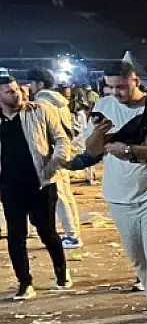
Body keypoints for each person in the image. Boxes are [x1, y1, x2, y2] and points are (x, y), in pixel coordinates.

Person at [83, 62, 147, 324]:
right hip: (118, 195)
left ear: (135, 81)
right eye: (110, 87)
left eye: (122, 86)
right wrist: (98, 134)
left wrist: (131, 150)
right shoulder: (103, 105)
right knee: (138, 258)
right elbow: (92, 151)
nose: (116, 92)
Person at [0, 75, 73, 299]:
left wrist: (54, 163)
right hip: (9, 186)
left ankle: (61, 272)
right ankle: (24, 282)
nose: (17, 95)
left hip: (41, 182)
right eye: (9, 92)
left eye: (17, 90)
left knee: (47, 232)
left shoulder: (39, 110)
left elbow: (62, 138)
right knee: (16, 235)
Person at [24, 69, 83, 248]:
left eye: (31, 83)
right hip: (63, 153)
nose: (28, 87)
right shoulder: (60, 103)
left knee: (59, 197)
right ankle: (73, 232)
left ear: (39, 84)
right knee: (65, 195)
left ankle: (72, 236)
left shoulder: (41, 104)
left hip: (51, 155)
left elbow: (42, 135)